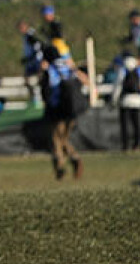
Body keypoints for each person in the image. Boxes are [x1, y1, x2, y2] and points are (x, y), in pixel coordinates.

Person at [40, 43, 87, 179]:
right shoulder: (67, 66)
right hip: (71, 109)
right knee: (64, 138)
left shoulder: (49, 69)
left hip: (57, 109)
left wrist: (42, 71)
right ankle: (73, 160)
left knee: (56, 139)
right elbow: (84, 80)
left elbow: (45, 89)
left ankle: (62, 165)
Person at [111, 48, 140, 151]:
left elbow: (118, 87)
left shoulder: (122, 70)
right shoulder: (139, 69)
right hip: (137, 100)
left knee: (124, 124)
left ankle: (125, 146)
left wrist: (114, 101)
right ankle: (137, 144)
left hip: (125, 100)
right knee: (136, 124)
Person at [17, 18, 45, 107]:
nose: (21, 30)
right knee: (27, 79)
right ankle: (34, 98)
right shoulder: (26, 36)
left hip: (36, 61)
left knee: (41, 79)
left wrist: (29, 58)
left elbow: (37, 48)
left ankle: (41, 97)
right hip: (31, 62)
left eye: (22, 28)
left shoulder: (30, 35)